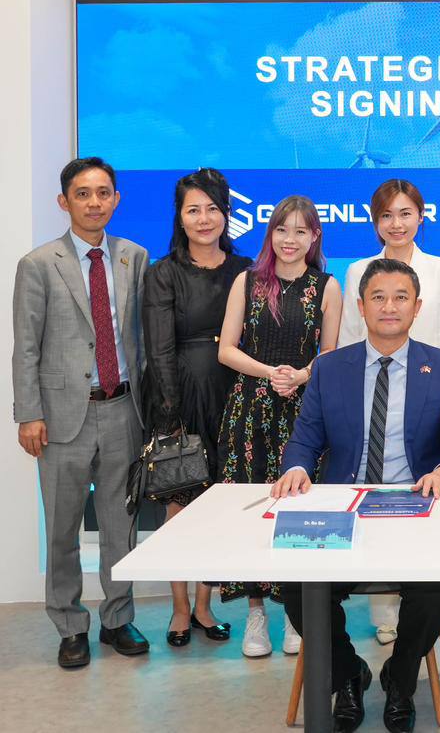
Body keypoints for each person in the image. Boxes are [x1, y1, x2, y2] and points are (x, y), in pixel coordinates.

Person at [273, 258, 440, 733]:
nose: (390, 307)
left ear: (417, 307)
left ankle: (401, 677)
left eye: (401, 297)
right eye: (379, 298)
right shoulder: (330, 368)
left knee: (435, 591)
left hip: (413, 508)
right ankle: (349, 675)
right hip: (345, 511)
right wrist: (297, 468)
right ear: (361, 307)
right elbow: (305, 439)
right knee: (297, 589)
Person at [13, 157, 151, 668]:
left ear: (116, 199)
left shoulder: (134, 257)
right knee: (62, 528)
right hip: (60, 416)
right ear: (64, 201)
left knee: (121, 525)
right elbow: (26, 346)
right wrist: (28, 413)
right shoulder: (38, 263)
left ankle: (118, 618)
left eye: (103, 193)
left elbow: (141, 337)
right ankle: (69, 625)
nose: (95, 202)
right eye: (83, 194)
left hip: (123, 409)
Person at [339, 178, 440, 646]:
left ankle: (415, 606)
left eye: (406, 213)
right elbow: (350, 340)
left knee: (417, 490)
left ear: (420, 217)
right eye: (387, 215)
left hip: (429, 399)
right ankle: (383, 613)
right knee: (373, 482)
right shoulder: (358, 271)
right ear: (375, 222)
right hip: (373, 396)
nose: (397, 224)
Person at [217, 194, 341, 656]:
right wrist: (271, 373)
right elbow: (226, 349)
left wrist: (302, 376)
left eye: (301, 231)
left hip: (304, 411)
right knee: (252, 508)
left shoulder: (327, 286)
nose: (290, 240)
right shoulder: (247, 281)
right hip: (249, 408)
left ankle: (295, 612)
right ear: (270, 234)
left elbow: (330, 354)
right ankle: (255, 614)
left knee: (298, 510)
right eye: (282, 230)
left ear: (315, 236)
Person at [141, 168, 249, 647]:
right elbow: (159, 349)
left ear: (226, 213)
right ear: (180, 217)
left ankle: (205, 605)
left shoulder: (245, 269)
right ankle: (180, 609)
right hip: (180, 396)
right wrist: (170, 415)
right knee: (180, 505)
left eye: (212, 208)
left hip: (233, 395)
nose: (204, 219)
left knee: (221, 505)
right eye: (193, 210)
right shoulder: (163, 273)